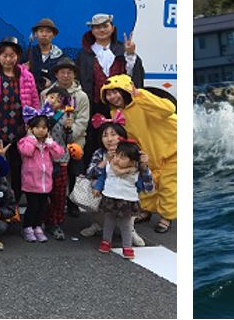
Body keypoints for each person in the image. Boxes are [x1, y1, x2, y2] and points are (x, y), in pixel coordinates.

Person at [101, 74, 177, 233]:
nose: (112, 97)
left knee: (169, 186)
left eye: (116, 91)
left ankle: (167, 217)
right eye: (108, 94)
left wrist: (140, 96)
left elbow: (168, 109)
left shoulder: (142, 99)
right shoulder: (116, 113)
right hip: (148, 153)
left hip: (172, 149)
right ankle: (147, 210)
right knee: (147, 183)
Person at [0, 37, 39, 190]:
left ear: (17, 56)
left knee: (18, 166)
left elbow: (34, 100)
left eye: (12, 56)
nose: (8, 59)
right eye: (5, 55)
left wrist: (34, 125)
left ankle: (15, 202)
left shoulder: (26, 75)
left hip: (19, 129)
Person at [76, 115, 149, 248]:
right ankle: (98, 223)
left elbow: (147, 182)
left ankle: (130, 229)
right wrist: (106, 161)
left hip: (127, 193)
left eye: (113, 134)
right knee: (94, 185)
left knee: (129, 203)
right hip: (107, 192)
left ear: (121, 136)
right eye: (105, 135)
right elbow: (90, 173)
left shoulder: (132, 152)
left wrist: (143, 166)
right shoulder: (100, 153)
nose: (109, 139)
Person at [43, 58, 90, 216]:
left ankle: (73, 203)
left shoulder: (81, 96)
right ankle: (51, 203)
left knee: (74, 173)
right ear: (56, 74)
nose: (65, 75)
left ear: (74, 74)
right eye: (62, 72)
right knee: (53, 176)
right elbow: (42, 117)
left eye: (69, 72)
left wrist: (69, 136)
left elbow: (82, 121)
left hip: (74, 142)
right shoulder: (46, 94)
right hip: (52, 143)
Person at [76, 13, 144, 123]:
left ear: (112, 28)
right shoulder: (84, 54)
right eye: (97, 27)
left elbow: (133, 76)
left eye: (105, 26)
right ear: (92, 31)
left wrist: (130, 55)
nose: (102, 30)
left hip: (121, 105)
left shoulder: (123, 50)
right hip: (95, 106)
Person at [95, 141, 152, 260]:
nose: (117, 160)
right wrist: (97, 188)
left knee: (126, 224)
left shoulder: (136, 172)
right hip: (110, 198)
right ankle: (106, 241)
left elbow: (145, 186)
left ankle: (127, 246)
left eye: (123, 157)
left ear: (132, 161)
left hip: (127, 201)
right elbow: (102, 178)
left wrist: (144, 167)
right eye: (117, 155)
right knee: (109, 222)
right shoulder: (110, 167)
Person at [17, 106, 66, 242]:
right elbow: (26, 151)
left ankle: (38, 226)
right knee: (32, 206)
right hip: (31, 182)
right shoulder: (25, 141)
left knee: (42, 207)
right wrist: (32, 139)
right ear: (31, 129)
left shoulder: (48, 144)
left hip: (46, 183)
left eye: (44, 127)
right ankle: (27, 227)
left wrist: (50, 143)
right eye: (37, 127)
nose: (41, 130)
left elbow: (59, 154)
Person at [24, 18, 68, 92]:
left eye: (48, 31)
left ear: (53, 35)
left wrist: (52, 84)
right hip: (30, 96)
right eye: (41, 31)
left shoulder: (61, 56)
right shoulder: (28, 53)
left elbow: (67, 78)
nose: (44, 34)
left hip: (54, 98)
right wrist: (23, 69)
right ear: (36, 34)